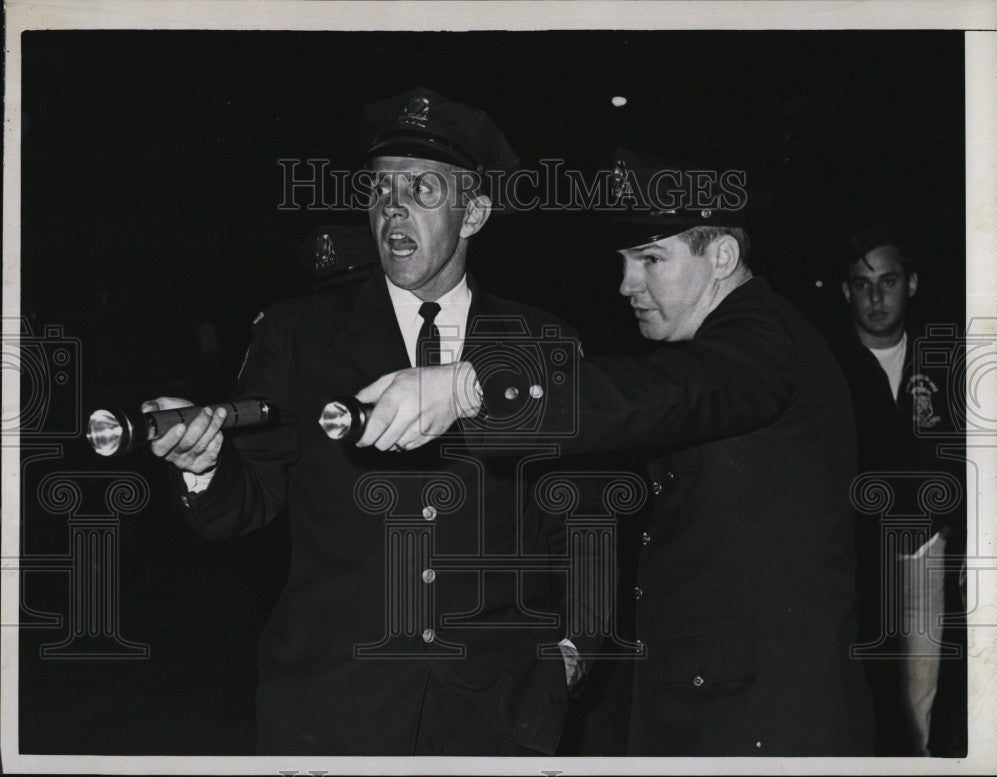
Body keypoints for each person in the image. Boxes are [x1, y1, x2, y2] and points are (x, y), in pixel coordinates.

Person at [355, 149, 876, 755]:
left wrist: (468, 386)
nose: (626, 284)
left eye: (651, 259)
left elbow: (656, 395)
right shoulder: (722, 346)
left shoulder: (761, 337)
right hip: (718, 704)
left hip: (766, 720)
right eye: (625, 261)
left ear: (723, 258)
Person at [143, 87, 585, 755]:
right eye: (381, 190)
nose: (393, 208)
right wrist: (204, 465)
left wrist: (578, 641)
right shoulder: (300, 334)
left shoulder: (538, 339)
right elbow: (245, 502)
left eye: (423, 189)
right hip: (337, 701)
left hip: (499, 711)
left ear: (475, 213)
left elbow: (575, 512)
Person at [828, 225, 965, 755]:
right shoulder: (827, 369)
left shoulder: (944, 361)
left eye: (888, 280)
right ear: (846, 292)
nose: (876, 296)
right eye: (862, 284)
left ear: (910, 284)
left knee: (923, 696)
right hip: (853, 563)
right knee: (863, 697)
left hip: (926, 555)